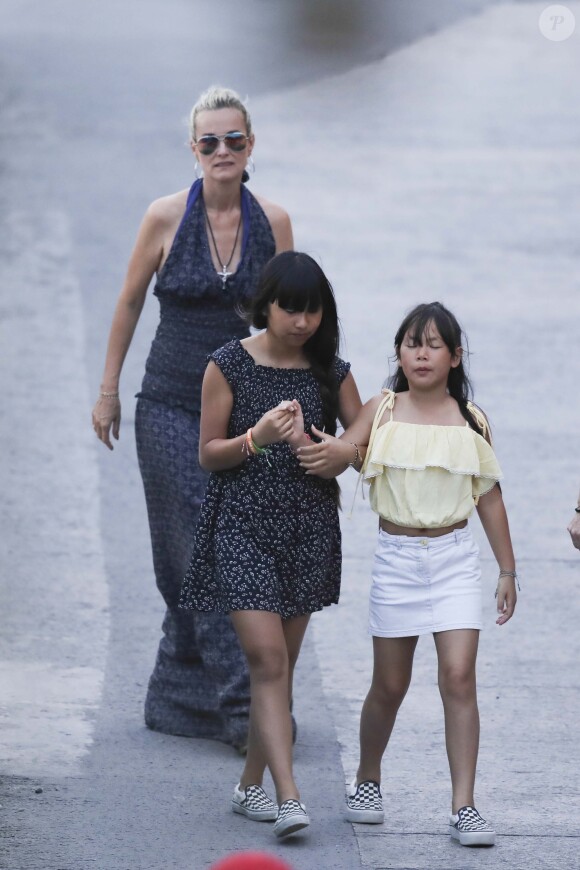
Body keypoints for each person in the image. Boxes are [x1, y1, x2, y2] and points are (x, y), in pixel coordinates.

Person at [91, 85, 293, 748]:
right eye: (210, 141)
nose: (222, 151)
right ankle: (245, 711)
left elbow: (295, 318)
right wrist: (109, 389)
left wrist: (311, 403)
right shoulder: (163, 217)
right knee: (203, 545)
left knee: (217, 552)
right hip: (171, 406)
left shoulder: (275, 221)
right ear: (194, 148)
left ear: (251, 145)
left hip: (249, 411)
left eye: (234, 140)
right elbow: (127, 304)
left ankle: (178, 697)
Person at [297, 301, 518, 847]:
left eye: (434, 344)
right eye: (412, 343)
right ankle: (367, 779)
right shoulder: (384, 408)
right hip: (396, 560)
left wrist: (507, 569)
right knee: (389, 686)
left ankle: (464, 805)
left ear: (455, 356)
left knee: (458, 678)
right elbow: (348, 450)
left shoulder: (472, 420)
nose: (422, 353)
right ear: (398, 352)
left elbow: (488, 496)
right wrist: (311, 441)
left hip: (454, 560)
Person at [180, 252, 362, 838]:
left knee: (278, 667)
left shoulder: (330, 371)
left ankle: (248, 786)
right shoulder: (228, 364)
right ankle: (289, 797)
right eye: (291, 309)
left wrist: (338, 454)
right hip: (241, 526)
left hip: (306, 529)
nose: (302, 321)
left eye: (312, 311)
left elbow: (367, 437)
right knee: (268, 661)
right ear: (268, 305)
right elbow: (209, 453)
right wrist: (255, 439)